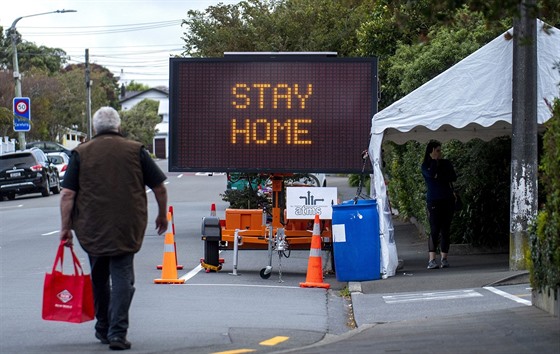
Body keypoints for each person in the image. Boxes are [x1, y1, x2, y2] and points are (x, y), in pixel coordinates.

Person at [59, 107, 168, 350]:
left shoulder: (80, 153)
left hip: (91, 226)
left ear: (95, 128)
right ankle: (118, 332)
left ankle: (102, 327)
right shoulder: (135, 150)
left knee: (98, 277)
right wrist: (162, 215)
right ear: (118, 126)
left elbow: (67, 194)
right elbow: (159, 187)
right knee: (122, 278)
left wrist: (65, 228)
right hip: (127, 225)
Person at [421, 140, 457, 270]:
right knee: (434, 229)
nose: (439, 153)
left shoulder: (446, 163)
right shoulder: (426, 165)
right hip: (434, 200)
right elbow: (430, 174)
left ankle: (444, 258)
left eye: (440, 150)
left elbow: (453, 177)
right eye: (437, 150)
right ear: (431, 151)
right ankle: (432, 259)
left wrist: (439, 175)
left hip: (447, 199)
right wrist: (434, 163)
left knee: (445, 229)